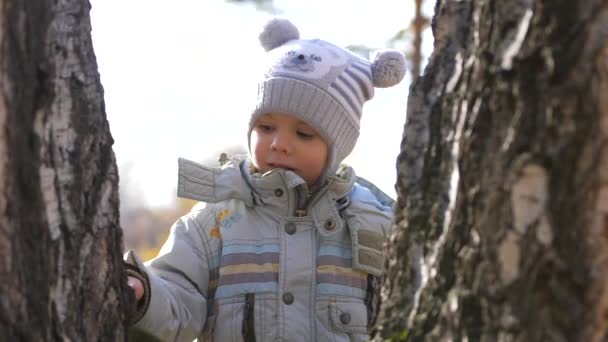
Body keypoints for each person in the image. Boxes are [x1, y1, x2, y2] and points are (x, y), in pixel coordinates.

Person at [125, 18, 406, 341]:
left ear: (337, 146)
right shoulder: (215, 222)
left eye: (303, 133)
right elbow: (178, 298)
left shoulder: (376, 224)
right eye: (266, 127)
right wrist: (145, 294)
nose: (279, 144)